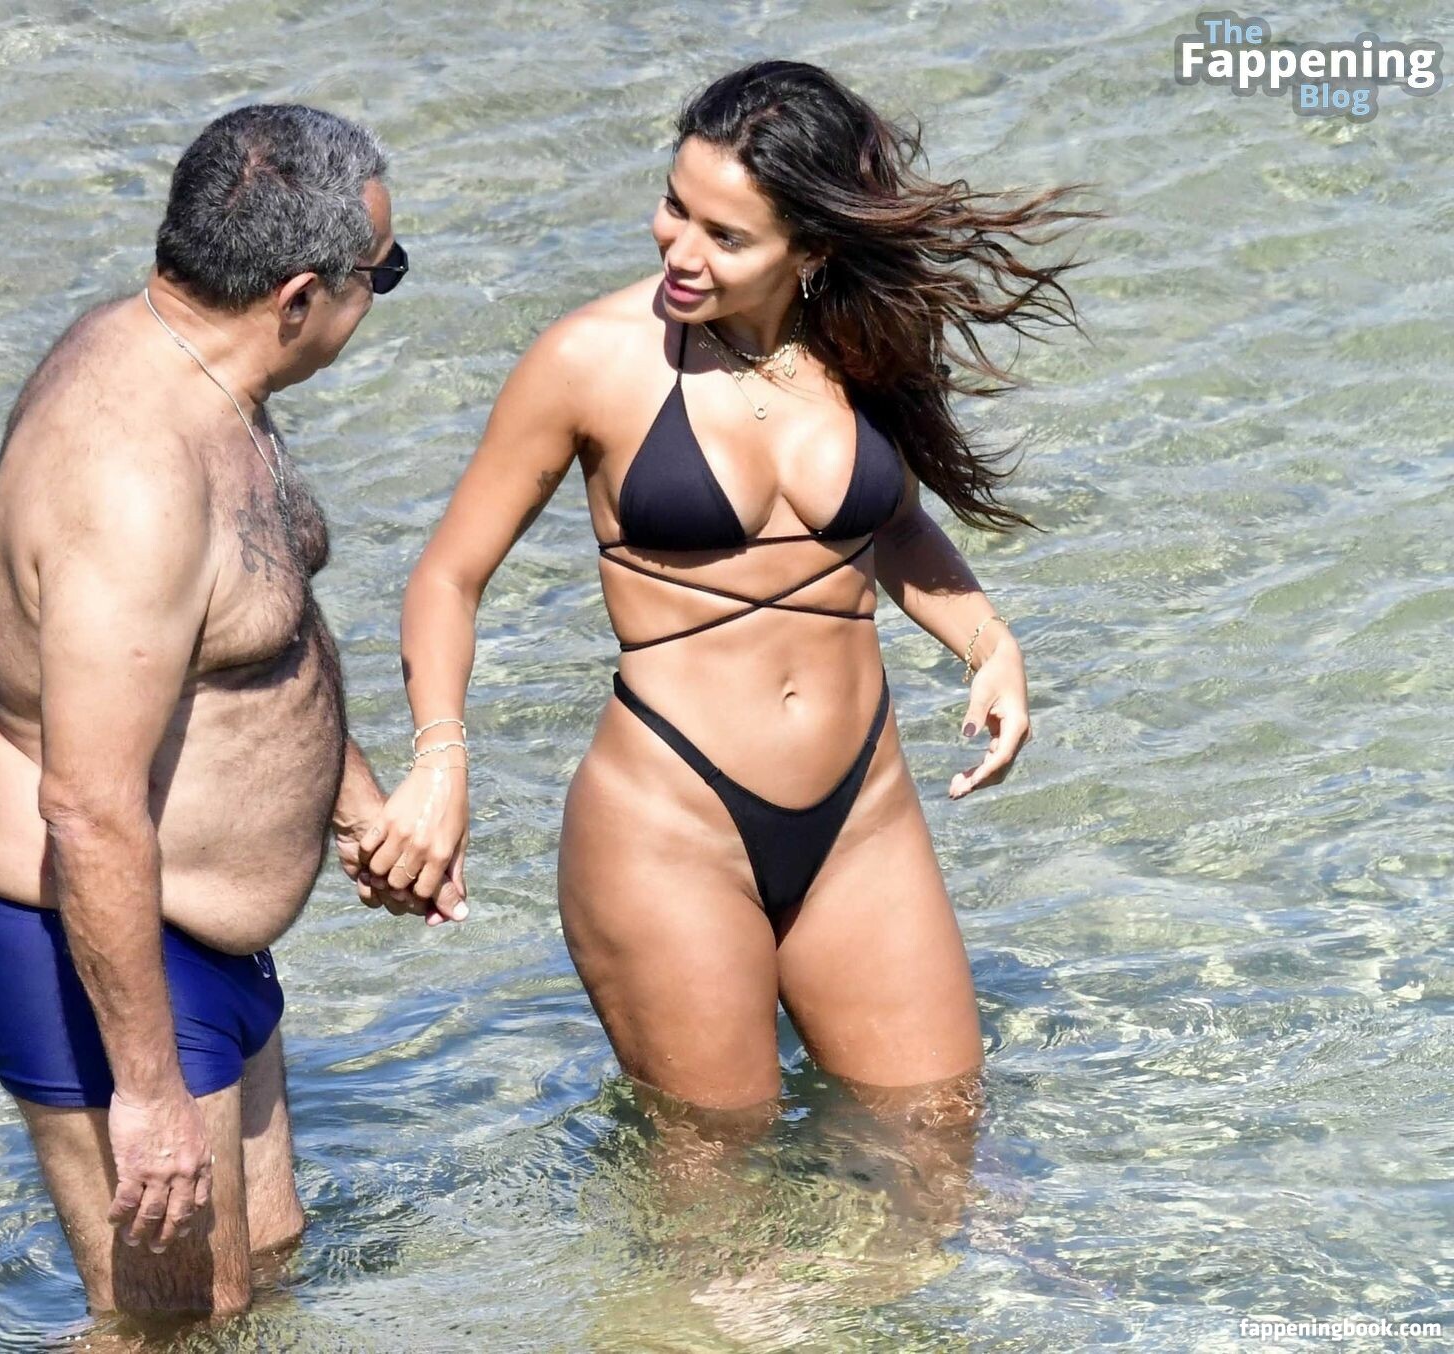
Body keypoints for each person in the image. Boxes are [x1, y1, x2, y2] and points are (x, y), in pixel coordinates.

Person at [364, 62, 1094, 1136]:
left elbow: (889, 525)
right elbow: (448, 576)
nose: (680, 249)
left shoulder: (861, 344)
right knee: (716, 1191)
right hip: (670, 826)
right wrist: (441, 760)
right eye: (675, 207)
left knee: (945, 1148)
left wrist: (989, 641)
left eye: (726, 236)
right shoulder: (591, 360)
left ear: (813, 248)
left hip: (864, 816)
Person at [0, 103, 459, 1326]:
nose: (381, 300)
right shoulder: (133, 477)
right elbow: (87, 801)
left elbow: (242, 645)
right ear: (299, 296)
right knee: (172, 1332)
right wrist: (150, 1091)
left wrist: (351, 799)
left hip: (195, 938)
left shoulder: (205, 372)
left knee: (263, 1272)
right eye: (384, 277)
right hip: (87, 943)